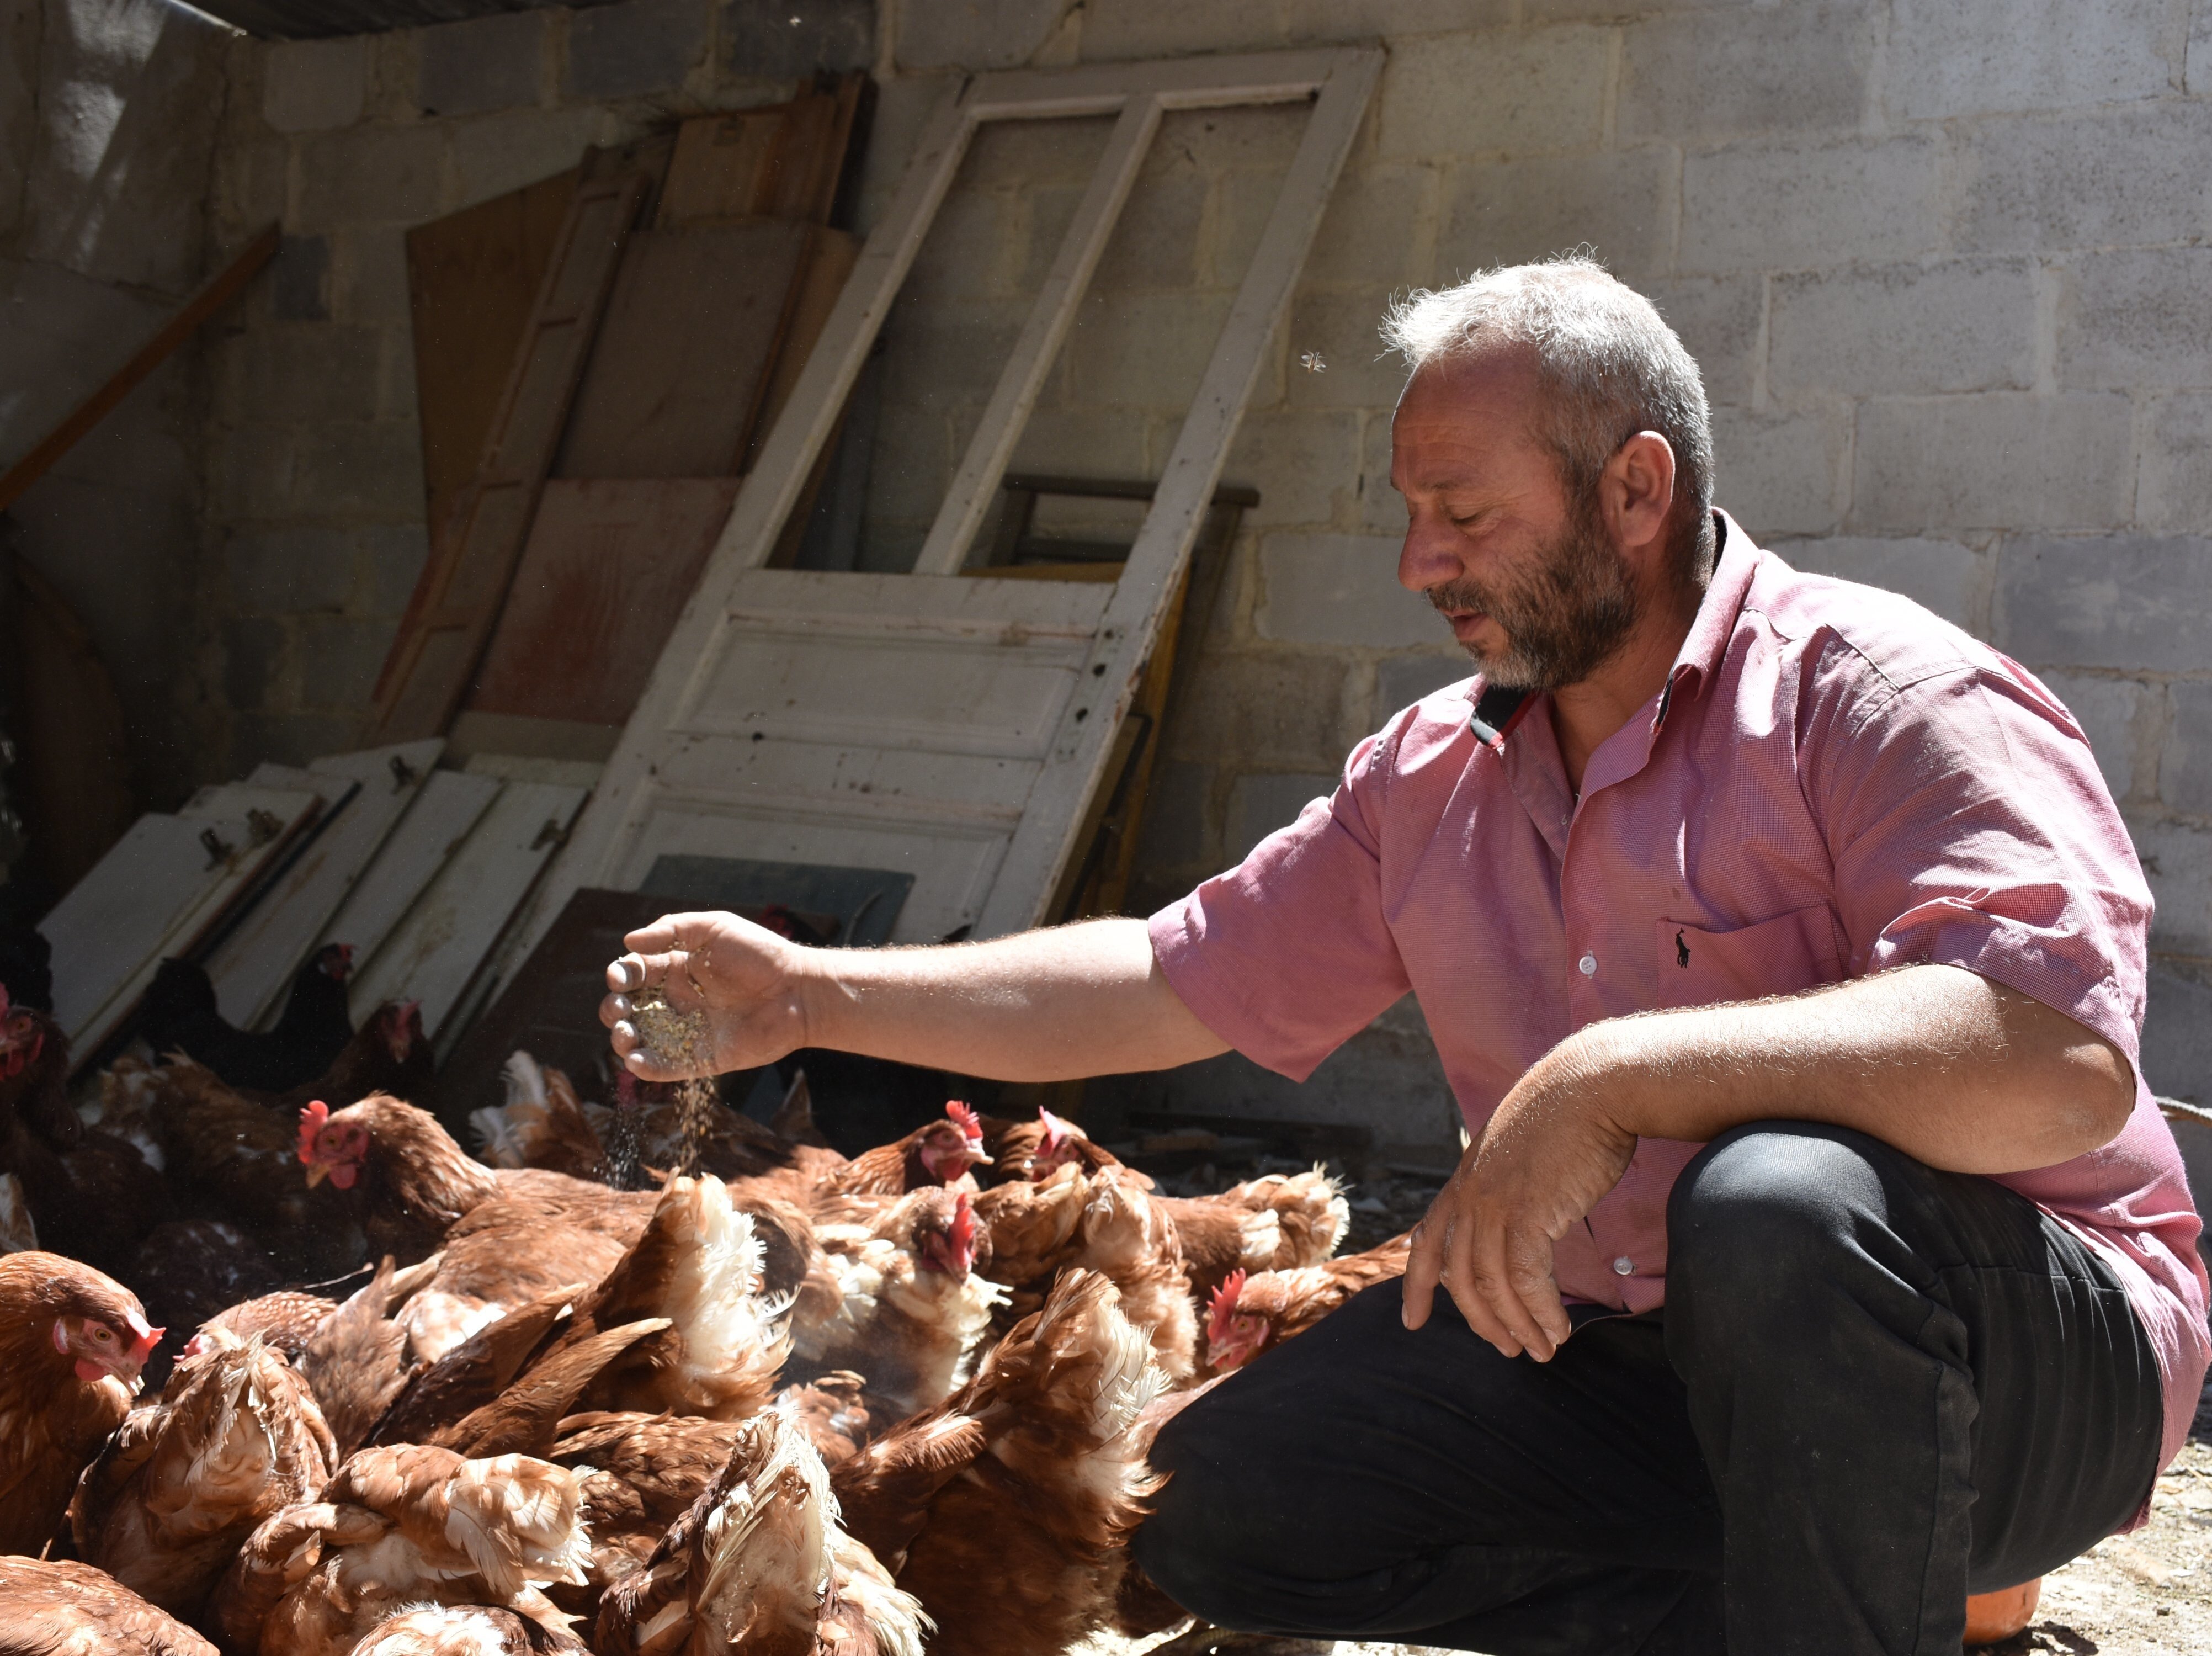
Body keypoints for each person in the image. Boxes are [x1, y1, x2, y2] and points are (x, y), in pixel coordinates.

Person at [600, 257, 2208, 1655]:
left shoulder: (1884, 699)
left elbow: (2055, 1068)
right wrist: (811, 993)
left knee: (1780, 1204)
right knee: (1212, 1506)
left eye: (1465, 514)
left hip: (2017, 1370)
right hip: (1646, 1369)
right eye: (1409, 512)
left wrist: (1619, 1075)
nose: (1416, 563)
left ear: (1634, 494)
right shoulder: (1438, 772)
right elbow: (1170, 977)